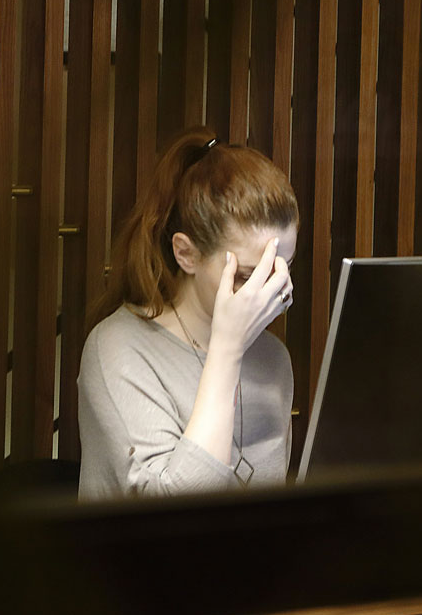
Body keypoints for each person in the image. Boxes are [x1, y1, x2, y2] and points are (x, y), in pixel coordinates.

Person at [77, 127, 299, 499]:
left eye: (282, 269)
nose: (270, 291)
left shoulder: (273, 359)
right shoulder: (116, 348)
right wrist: (227, 351)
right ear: (186, 254)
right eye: (247, 275)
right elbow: (174, 519)